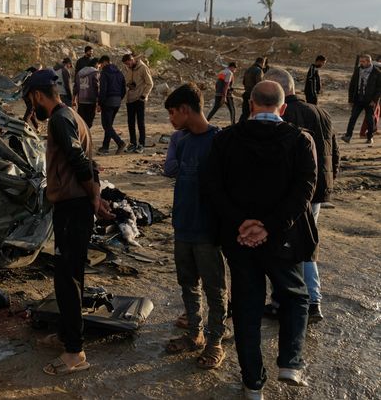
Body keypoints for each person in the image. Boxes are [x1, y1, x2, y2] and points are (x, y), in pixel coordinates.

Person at [205, 81, 317, 399]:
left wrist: (242, 224)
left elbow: (212, 186)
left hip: (238, 239)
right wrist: (269, 227)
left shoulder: (225, 138)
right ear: (282, 108)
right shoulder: (300, 140)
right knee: (295, 296)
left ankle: (253, 383)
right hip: (284, 239)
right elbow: (304, 191)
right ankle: (290, 364)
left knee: (246, 308)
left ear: (250, 104)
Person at [21, 69, 112, 376]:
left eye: (31, 101)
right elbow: (90, 162)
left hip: (73, 209)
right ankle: (66, 336)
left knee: (67, 280)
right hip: (77, 206)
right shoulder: (72, 115)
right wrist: (96, 196)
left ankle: (75, 352)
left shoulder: (60, 120)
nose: (33, 108)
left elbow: (77, 160)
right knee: (70, 275)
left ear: (37, 95)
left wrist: (94, 199)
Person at [264, 68, 339, 323]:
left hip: (294, 192)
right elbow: (334, 152)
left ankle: (287, 301)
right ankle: (311, 301)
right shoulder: (321, 112)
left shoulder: (284, 115)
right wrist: (328, 184)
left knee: (287, 246)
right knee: (306, 243)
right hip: (318, 190)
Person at [162, 83, 226, 369]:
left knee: (215, 289)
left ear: (185, 110)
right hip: (183, 226)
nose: (171, 119)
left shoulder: (221, 141)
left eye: (173, 113)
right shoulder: (183, 141)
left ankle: (215, 343)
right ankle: (195, 335)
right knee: (188, 284)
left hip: (208, 231)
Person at [343, 54, 381, 145]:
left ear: (369, 62)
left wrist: (374, 100)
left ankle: (370, 137)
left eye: (363, 62)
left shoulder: (377, 72)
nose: (361, 63)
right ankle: (348, 136)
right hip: (358, 99)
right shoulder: (358, 70)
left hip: (370, 100)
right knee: (353, 118)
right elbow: (352, 85)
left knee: (369, 120)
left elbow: (379, 89)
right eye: (360, 61)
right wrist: (350, 100)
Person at [121, 52, 153, 153]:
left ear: (132, 60)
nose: (128, 65)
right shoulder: (128, 69)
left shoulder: (143, 68)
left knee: (140, 123)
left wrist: (144, 95)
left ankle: (141, 144)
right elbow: (127, 81)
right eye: (126, 64)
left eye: (128, 63)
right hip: (130, 99)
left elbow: (150, 83)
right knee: (131, 123)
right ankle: (133, 143)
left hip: (140, 99)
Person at [97, 55, 126, 154]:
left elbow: (103, 90)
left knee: (106, 125)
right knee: (109, 125)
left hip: (108, 102)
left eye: (101, 64)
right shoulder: (119, 72)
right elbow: (124, 89)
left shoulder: (104, 73)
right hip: (117, 101)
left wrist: (100, 103)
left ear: (105, 62)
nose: (100, 66)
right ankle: (105, 147)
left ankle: (120, 143)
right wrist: (119, 98)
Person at [73, 57, 100, 128]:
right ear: (96, 64)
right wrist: (98, 99)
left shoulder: (79, 72)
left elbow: (76, 87)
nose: (99, 67)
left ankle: (82, 135)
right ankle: (86, 135)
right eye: (99, 65)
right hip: (91, 100)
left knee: (82, 120)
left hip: (81, 100)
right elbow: (96, 86)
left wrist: (74, 99)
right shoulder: (95, 72)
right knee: (89, 121)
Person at [239, 57, 266, 122]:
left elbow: (243, 82)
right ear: (262, 62)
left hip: (246, 94)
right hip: (255, 96)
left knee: (245, 114)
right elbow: (259, 84)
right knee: (257, 115)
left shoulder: (248, 70)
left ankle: (239, 128)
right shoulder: (259, 70)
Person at [22, 62, 43, 130]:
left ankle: (37, 127)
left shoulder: (27, 73)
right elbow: (33, 87)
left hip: (25, 94)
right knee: (30, 111)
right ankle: (22, 126)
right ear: (38, 69)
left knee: (31, 111)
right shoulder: (33, 75)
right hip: (29, 95)